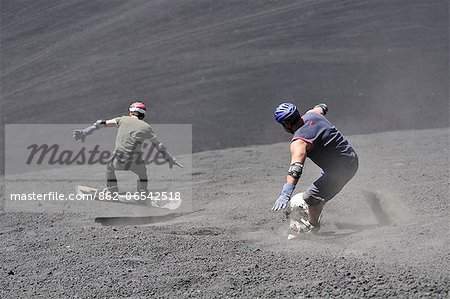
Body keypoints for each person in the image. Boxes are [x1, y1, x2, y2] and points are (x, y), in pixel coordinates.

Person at [272, 102, 358, 236]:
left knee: (310, 197)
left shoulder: (299, 142)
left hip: (341, 170)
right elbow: (321, 107)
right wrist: (323, 106)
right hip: (349, 158)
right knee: (318, 192)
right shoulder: (312, 114)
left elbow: (295, 169)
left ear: (286, 124)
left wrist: (285, 193)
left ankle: (312, 227)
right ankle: (316, 211)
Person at [73, 101, 182, 195]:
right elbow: (158, 145)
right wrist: (170, 159)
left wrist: (84, 132)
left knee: (109, 167)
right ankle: (143, 192)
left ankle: (112, 190)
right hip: (135, 162)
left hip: (119, 160)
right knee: (142, 172)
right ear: (142, 115)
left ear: (130, 112)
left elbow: (100, 124)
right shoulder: (146, 127)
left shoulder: (122, 119)